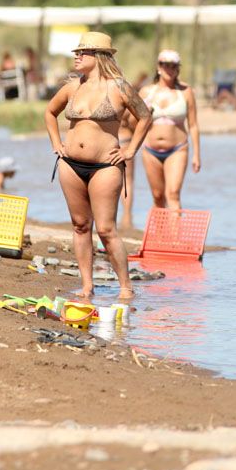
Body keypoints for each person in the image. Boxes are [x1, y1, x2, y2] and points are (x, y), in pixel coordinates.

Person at [44, 31, 151, 299]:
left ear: (100, 56)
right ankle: (87, 285)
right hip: (70, 164)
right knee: (80, 225)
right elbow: (49, 112)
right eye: (77, 52)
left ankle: (126, 287)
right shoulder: (72, 86)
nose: (77, 56)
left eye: (84, 52)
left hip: (105, 166)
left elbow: (146, 116)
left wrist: (130, 150)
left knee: (105, 229)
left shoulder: (119, 86)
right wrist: (56, 142)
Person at [139, 50, 201, 211]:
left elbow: (193, 124)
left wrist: (196, 155)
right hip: (150, 150)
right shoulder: (146, 92)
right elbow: (133, 123)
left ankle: (174, 236)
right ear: (158, 67)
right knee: (158, 195)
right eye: (165, 65)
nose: (169, 69)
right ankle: (159, 235)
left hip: (177, 149)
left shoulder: (186, 92)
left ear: (178, 69)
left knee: (173, 194)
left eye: (173, 66)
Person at [118, 110, 138, 230]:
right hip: (125, 139)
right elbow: (134, 123)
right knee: (127, 181)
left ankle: (121, 217)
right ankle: (127, 216)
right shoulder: (126, 96)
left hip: (105, 141)